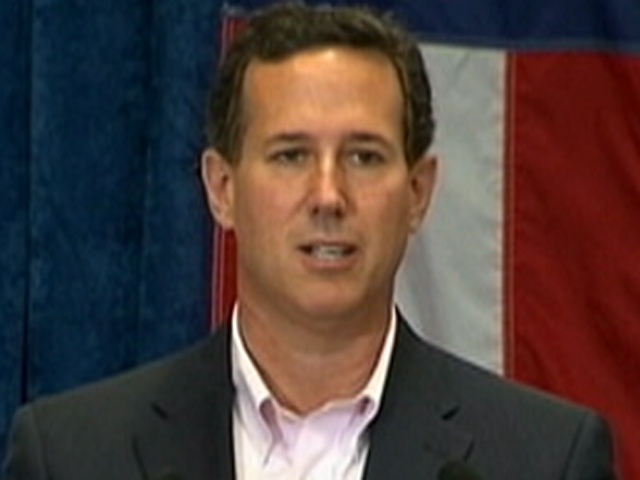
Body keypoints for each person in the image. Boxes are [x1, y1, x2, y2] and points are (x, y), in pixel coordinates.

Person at [3, 3, 616, 480]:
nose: (328, 195)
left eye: (364, 156)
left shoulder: (542, 460)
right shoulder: (74, 456)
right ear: (221, 188)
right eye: (291, 155)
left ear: (418, 192)